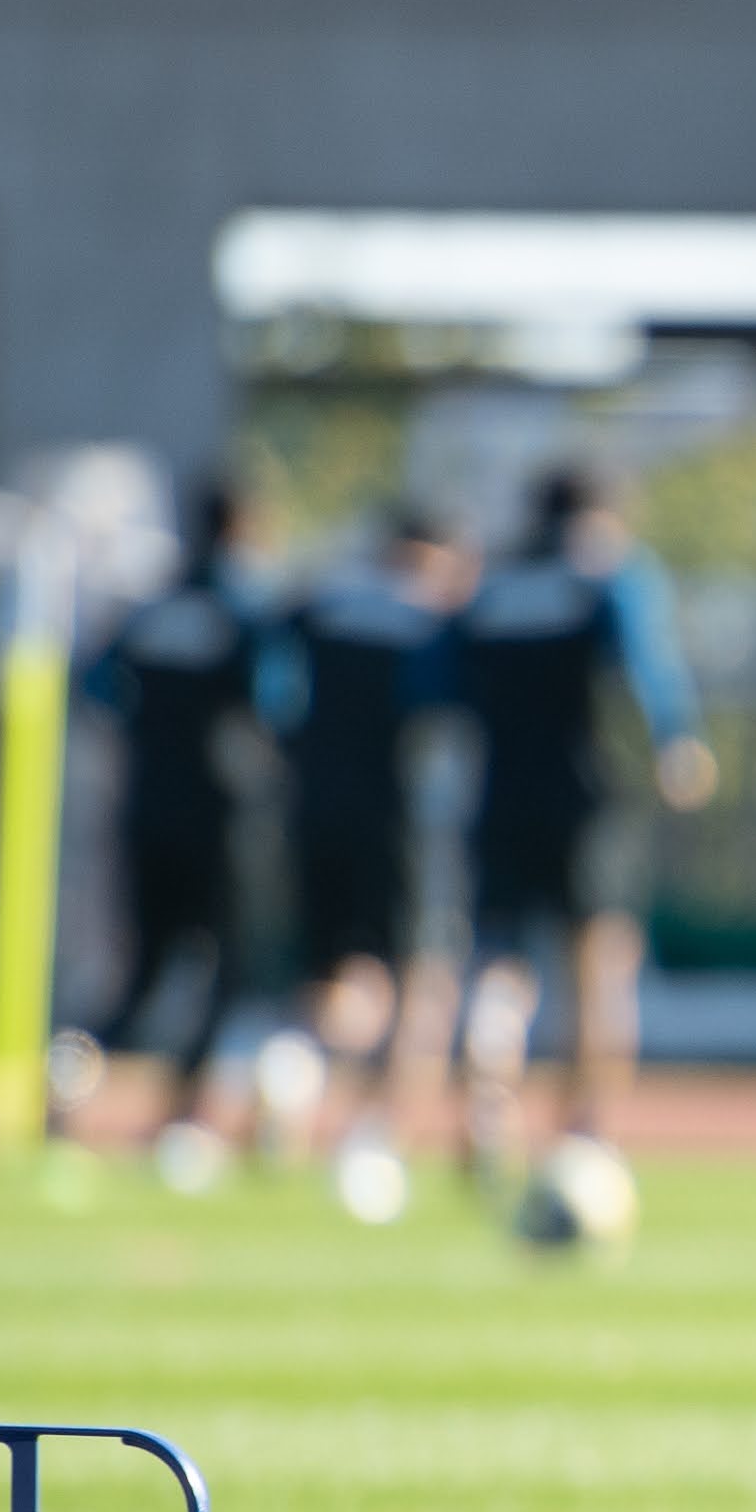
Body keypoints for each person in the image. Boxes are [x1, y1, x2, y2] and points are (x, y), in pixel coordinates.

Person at [452, 464, 715, 1196]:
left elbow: (446, 682)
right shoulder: (606, 575)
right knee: (599, 963)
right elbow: (648, 663)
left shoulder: (493, 586)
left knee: (502, 959)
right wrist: (677, 740)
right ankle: (587, 1131)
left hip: (498, 794)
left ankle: (489, 1088)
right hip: (584, 794)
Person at [75, 475, 290, 1187]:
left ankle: (69, 1081)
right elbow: (277, 702)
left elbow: (95, 685)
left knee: (141, 975)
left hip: (144, 809)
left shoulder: (152, 609)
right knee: (225, 970)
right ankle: (183, 1115)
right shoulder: (241, 609)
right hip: (218, 818)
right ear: (247, 526)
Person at [286, 503, 476, 1223]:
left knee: (333, 973)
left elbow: (274, 684)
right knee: (422, 977)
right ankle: (376, 1134)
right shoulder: (432, 619)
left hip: (313, 809)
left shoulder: (321, 604)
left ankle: (290, 1072)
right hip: (402, 820)